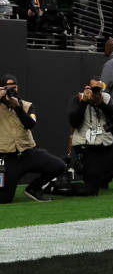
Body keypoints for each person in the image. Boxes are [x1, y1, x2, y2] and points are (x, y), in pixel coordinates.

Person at [0, 74, 65, 203]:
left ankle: (33, 189)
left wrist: (18, 108)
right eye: (7, 88)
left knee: (59, 166)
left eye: (14, 87)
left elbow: (31, 124)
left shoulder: (27, 105)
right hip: (7, 159)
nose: (11, 90)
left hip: (28, 153)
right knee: (4, 198)